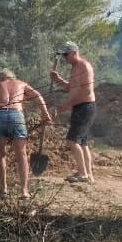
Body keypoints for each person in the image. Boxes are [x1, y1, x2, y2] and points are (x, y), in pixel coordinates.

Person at [0, 68, 53, 199]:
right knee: (21, 154)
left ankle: (3, 189)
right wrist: (45, 114)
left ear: (2, 78)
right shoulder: (22, 83)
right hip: (16, 116)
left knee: (0, 153)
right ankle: (24, 191)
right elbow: (38, 96)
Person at [50, 41, 96, 183]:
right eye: (63, 55)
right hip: (80, 107)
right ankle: (88, 174)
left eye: (66, 54)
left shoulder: (84, 66)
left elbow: (86, 90)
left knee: (72, 140)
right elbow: (71, 87)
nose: (64, 57)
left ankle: (83, 174)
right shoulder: (74, 68)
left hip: (85, 107)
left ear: (74, 52)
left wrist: (67, 103)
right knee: (82, 142)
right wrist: (58, 80)